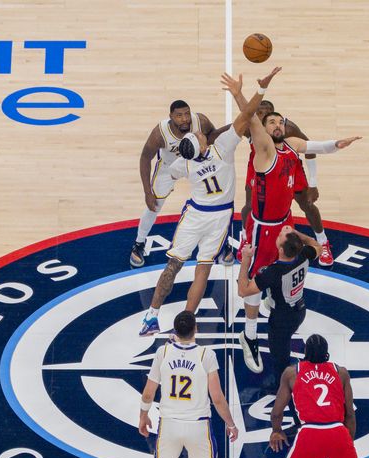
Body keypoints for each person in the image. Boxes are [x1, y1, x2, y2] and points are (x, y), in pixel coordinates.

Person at [221, 72, 360, 373]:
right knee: (254, 286)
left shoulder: (289, 147)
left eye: (280, 121)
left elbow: (316, 146)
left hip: (284, 220)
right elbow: (251, 119)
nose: (277, 125)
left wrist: (338, 144)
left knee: (284, 270)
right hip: (262, 226)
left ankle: (271, 299)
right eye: (272, 122)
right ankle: (249, 335)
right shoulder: (266, 149)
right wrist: (244, 92)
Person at [138, 72, 273, 336]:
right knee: (203, 269)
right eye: (199, 137)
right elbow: (246, 117)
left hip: (195, 214)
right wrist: (260, 90)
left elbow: (169, 170)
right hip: (219, 215)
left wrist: (154, 187)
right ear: (200, 145)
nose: (201, 133)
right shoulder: (222, 147)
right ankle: (187, 321)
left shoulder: (183, 164)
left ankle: (151, 316)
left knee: (173, 265)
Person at [137, 311, 238, 458]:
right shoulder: (206, 355)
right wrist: (231, 424)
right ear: (196, 329)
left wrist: (143, 416)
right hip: (198, 425)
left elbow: (149, 393)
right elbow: (218, 398)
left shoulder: (162, 352)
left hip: (169, 424)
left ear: (174, 331)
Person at [236, 98, 334, 266]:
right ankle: (246, 238)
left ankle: (322, 241)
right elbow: (226, 133)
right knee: (250, 204)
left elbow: (311, 150)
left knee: (307, 204)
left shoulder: (288, 129)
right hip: (261, 167)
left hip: (289, 166)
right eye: (259, 112)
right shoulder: (250, 128)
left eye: (267, 112)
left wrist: (313, 183)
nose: (263, 115)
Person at [130, 101, 217, 268]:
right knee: (154, 205)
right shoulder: (161, 132)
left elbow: (213, 136)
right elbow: (145, 157)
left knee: (215, 200)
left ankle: (221, 244)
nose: (185, 119)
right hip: (169, 167)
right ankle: (139, 243)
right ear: (171, 117)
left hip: (196, 164)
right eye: (179, 115)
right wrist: (147, 192)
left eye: (187, 114)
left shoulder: (200, 121)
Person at [235, 227, 315, 388]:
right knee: (279, 297)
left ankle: (282, 387)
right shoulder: (304, 255)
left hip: (282, 319)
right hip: (299, 309)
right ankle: (270, 302)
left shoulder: (273, 273)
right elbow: (315, 243)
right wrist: (296, 235)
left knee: (280, 358)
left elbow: (242, 290)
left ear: (280, 249)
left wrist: (246, 260)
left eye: (281, 236)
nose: (279, 233)